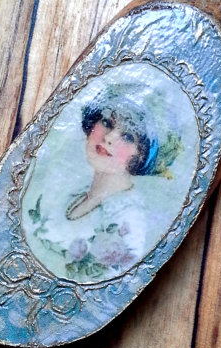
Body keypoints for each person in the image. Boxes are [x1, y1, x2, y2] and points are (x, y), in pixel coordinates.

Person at [27, 83, 182, 282]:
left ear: (142, 155)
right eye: (107, 123)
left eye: (127, 136)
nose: (109, 137)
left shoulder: (127, 222)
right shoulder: (77, 194)